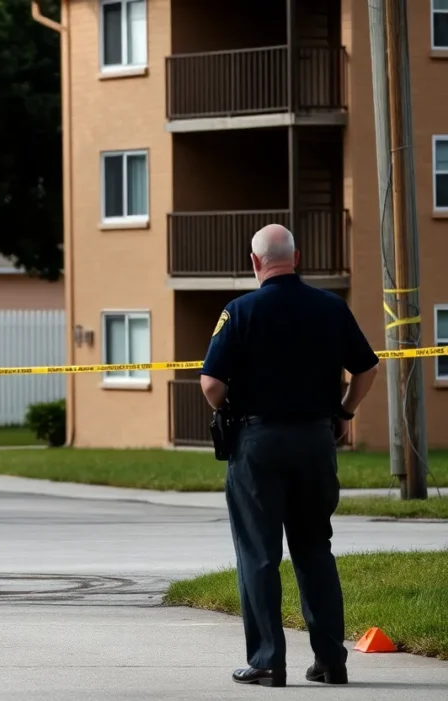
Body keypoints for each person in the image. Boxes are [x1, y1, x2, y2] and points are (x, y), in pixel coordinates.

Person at [199, 224, 379, 688]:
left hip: (258, 444)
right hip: (317, 441)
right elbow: (367, 367)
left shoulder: (239, 312)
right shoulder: (331, 308)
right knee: (315, 549)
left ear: (255, 262)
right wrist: (344, 411)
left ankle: (267, 661)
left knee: (259, 553)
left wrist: (229, 408)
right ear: (295, 258)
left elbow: (212, 384)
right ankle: (330, 661)